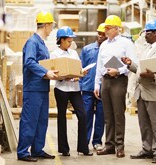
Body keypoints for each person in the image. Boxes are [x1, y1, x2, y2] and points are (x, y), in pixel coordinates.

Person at [122, 19, 156, 163]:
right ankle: (147, 149)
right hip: (141, 91)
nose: (145, 35)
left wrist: (153, 76)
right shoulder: (146, 48)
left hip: (154, 92)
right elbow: (141, 67)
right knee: (144, 124)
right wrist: (131, 64)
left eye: (148, 33)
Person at [17, 11, 59, 162]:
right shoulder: (32, 42)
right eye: (51, 26)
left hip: (42, 88)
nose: (52, 29)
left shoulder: (41, 43)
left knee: (42, 121)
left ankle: (37, 149)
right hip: (33, 88)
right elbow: (29, 61)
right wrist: (46, 72)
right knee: (30, 120)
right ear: (46, 25)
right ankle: (23, 152)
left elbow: (42, 63)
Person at [94, 15, 138, 158]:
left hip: (119, 80)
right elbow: (99, 65)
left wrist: (118, 70)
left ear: (117, 29)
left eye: (108, 28)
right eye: (105, 28)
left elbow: (132, 64)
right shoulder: (104, 45)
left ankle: (120, 146)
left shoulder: (126, 43)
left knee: (118, 114)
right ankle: (109, 145)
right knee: (107, 115)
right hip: (106, 81)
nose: (105, 31)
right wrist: (97, 83)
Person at [51, 26, 93, 157]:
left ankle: (83, 148)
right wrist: (66, 76)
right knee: (62, 118)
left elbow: (78, 69)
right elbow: (55, 74)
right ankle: (64, 149)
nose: (70, 43)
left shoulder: (73, 53)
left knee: (83, 115)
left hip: (75, 88)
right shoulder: (54, 54)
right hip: (61, 89)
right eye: (68, 41)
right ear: (61, 40)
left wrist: (81, 73)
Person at [79, 23, 107, 151]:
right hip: (87, 88)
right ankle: (84, 142)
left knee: (101, 117)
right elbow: (80, 69)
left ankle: (97, 141)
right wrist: (80, 86)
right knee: (86, 116)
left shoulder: (108, 51)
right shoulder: (87, 50)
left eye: (103, 34)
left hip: (103, 89)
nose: (100, 36)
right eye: (99, 33)